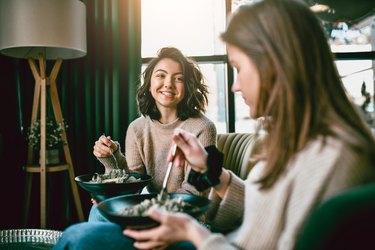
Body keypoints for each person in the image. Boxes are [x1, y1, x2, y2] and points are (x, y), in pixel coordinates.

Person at [54, 0, 375, 249]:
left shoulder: (332, 158)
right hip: (209, 235)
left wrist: (191, 232)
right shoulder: (296, 141)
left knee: (79, 238)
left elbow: (251, 235)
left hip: (203, 235)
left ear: (275, 65)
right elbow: (261, 213)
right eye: (160, 76)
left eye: (238, 68)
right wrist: (214, 173)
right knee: (89, 225)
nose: (235, 86)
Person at [88, 47, 217, 221]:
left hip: (188, 217)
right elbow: (134, 184)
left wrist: (148, 209)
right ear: (149, 84)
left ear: (187, 87)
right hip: (153, 209)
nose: (169, 84)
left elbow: (194, 193)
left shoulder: (203, 128)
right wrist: (112, 156)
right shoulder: (137, 128)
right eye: (161, 75)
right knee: (97, 211)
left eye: (178, 78)